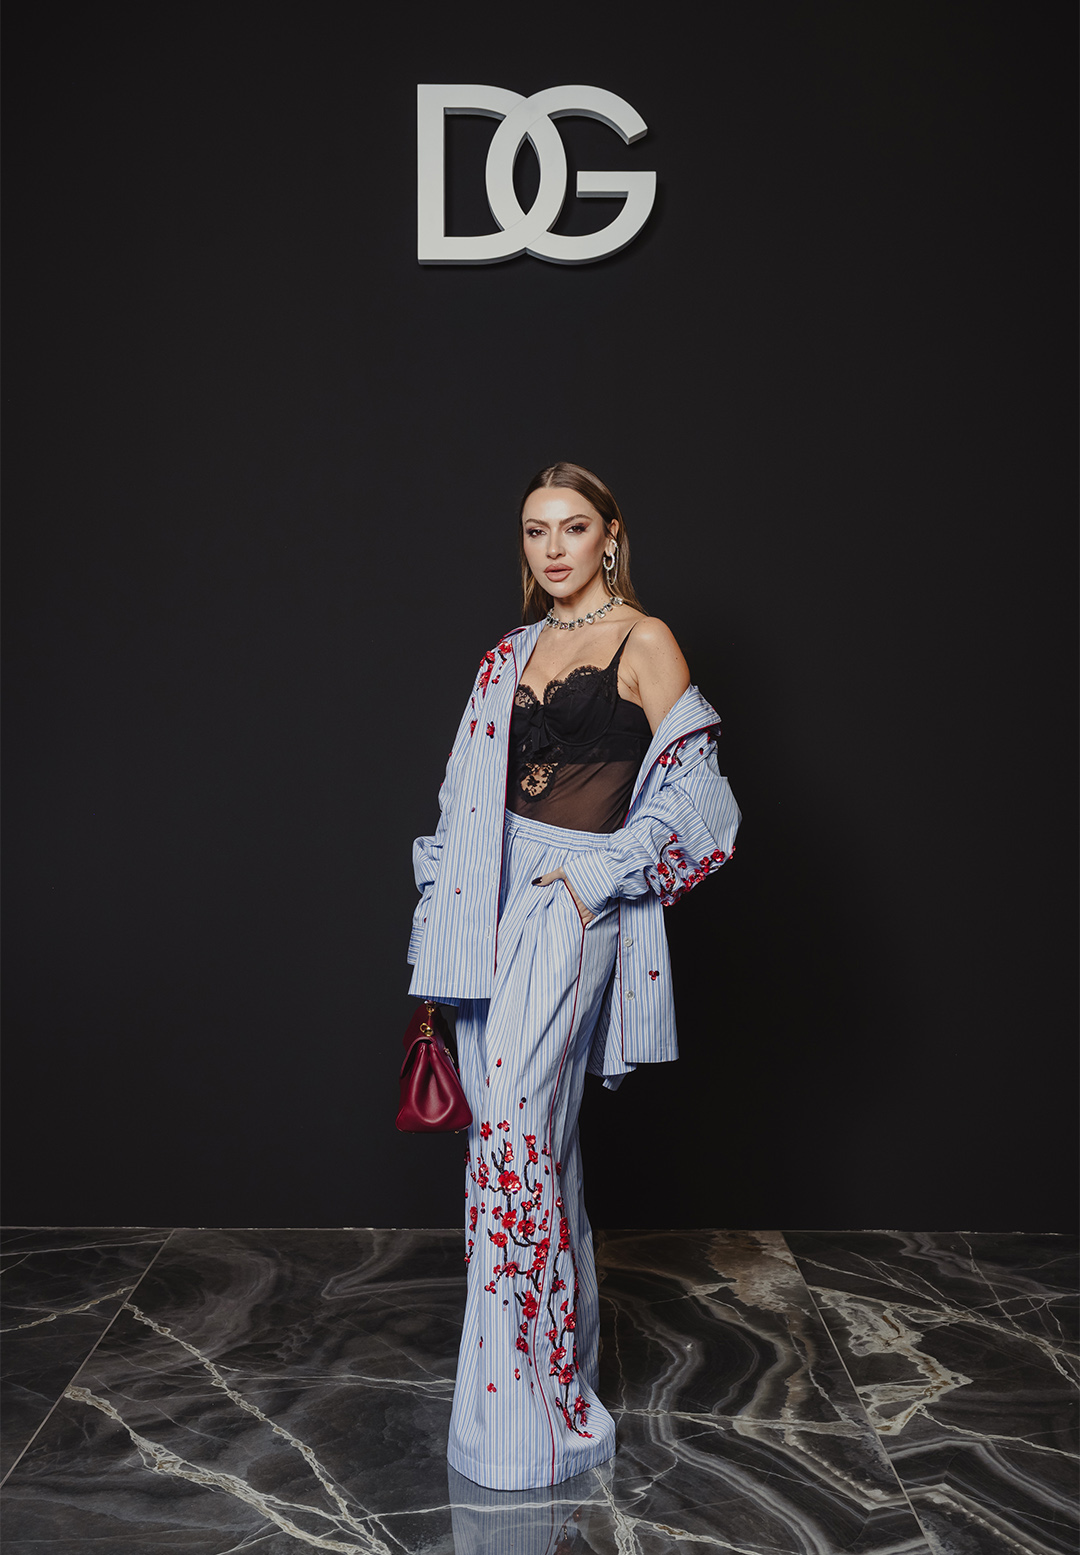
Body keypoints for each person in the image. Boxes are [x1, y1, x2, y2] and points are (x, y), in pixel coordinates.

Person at [407, 462, 741, 1491]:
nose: (553, 547)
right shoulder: (506, 655)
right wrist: (434, 936)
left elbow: (705, 803)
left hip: (569, 899)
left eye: (573, 526)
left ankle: (530, 1423)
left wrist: (600, 875)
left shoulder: (646, 640)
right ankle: (542, 1394)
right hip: (485, 902)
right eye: (534, 530)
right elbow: (458, 803)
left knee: (514, 1132)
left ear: (610, 535)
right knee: (515, 1146)